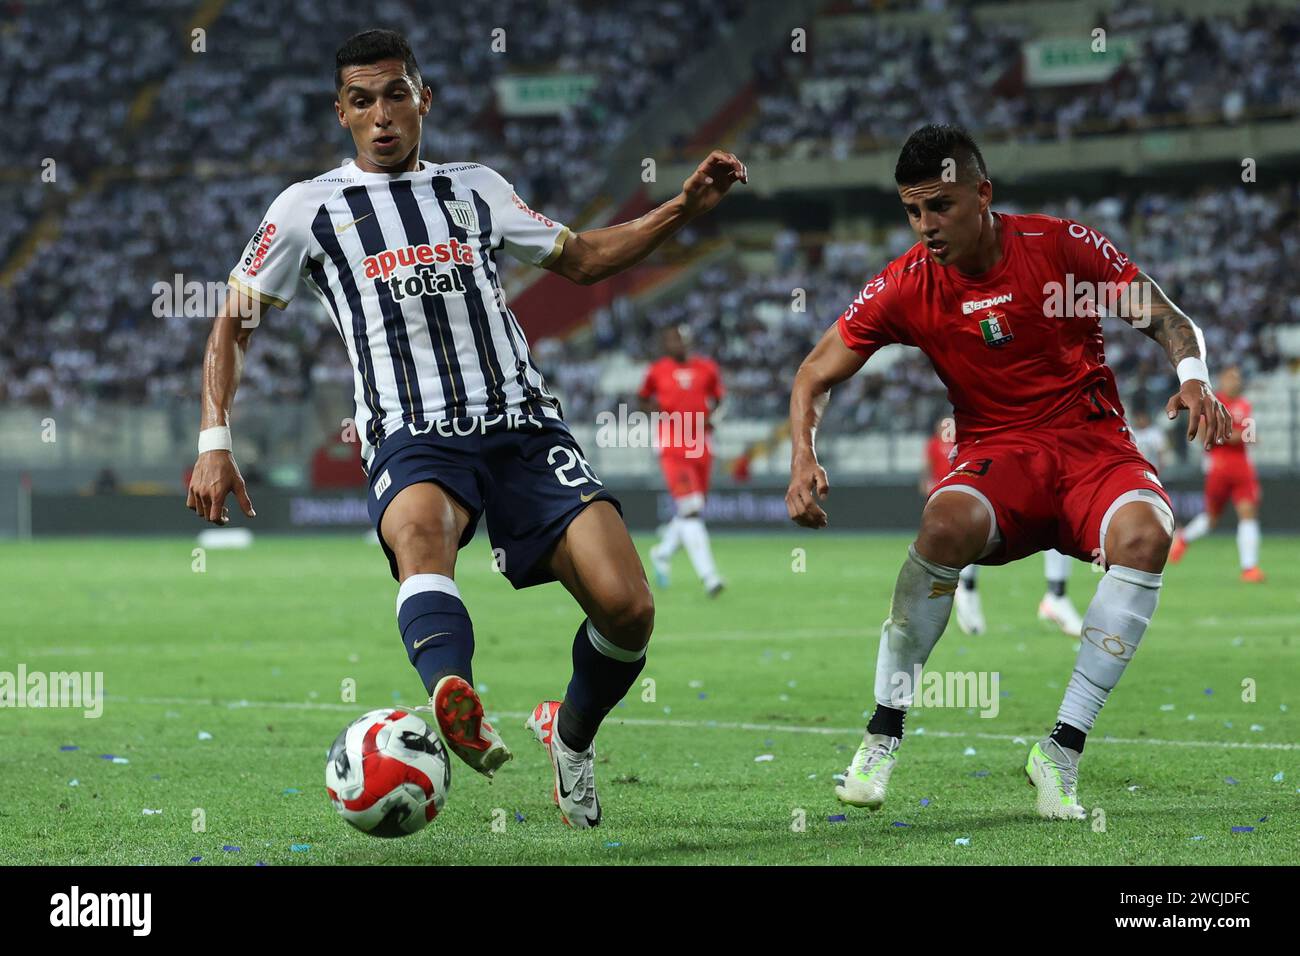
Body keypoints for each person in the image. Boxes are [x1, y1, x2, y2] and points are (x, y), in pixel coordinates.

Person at [185, 29, 747, 828]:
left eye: (395, 95)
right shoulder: (307, 207)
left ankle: (571, 735)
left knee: (628, 611)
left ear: (424, 99)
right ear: (340, 112)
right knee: (419, 529)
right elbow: (232, 321)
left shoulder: (475, 186)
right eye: (362, 100)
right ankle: (455, 692)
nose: (381, 116)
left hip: (522, 424)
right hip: (411, 431)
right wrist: (215, 439)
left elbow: (583, 258)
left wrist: (684, 206)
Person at [786, 124, 1229, 820]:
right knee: (942, 523)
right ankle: (882, 735)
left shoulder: (1060, 245)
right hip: (1000, 457)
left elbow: (1168, 317)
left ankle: (1061, 751)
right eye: (913, 210)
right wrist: (802, 455)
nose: (927, 226)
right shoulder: (905, 285)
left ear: (983, 193)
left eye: (942, 205)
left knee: (1148, 535)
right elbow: (814, 372)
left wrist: (1194, 376)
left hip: (1093, 450)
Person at [924, 416, 1086, 637]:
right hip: (998, 442)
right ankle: (967, 586)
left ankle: (1055, 595)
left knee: (1056, 511)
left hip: (1027, 439)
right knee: (979, 516)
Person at [639, 325, 725, 596]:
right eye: (671, 340)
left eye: (681, 339)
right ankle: (709, 576)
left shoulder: (707, 368)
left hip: (701, 444)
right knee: (691, 510)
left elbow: (720, 399)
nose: (677, 344)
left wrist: (713, 416)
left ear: (689, 341)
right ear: (665, 344)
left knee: (693, 508)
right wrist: (655, 411)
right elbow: (642, 399)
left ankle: (661, 552)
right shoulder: (657, 370)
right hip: (673, 445)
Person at [1169, 365, 1264, 581]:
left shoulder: (1244, 404)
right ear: (1221, 380)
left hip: (1242, 467)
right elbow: (1206, 437)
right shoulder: (1211, 402)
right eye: (1231, 377)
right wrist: (1234, 434)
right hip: (1219, 468)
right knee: (1212, 518)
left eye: (1238, 378)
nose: (1236, 382)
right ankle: (1183, 538)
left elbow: (1248, 436)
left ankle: (1249, 568)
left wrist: (1225, 432)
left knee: (1248, 513)